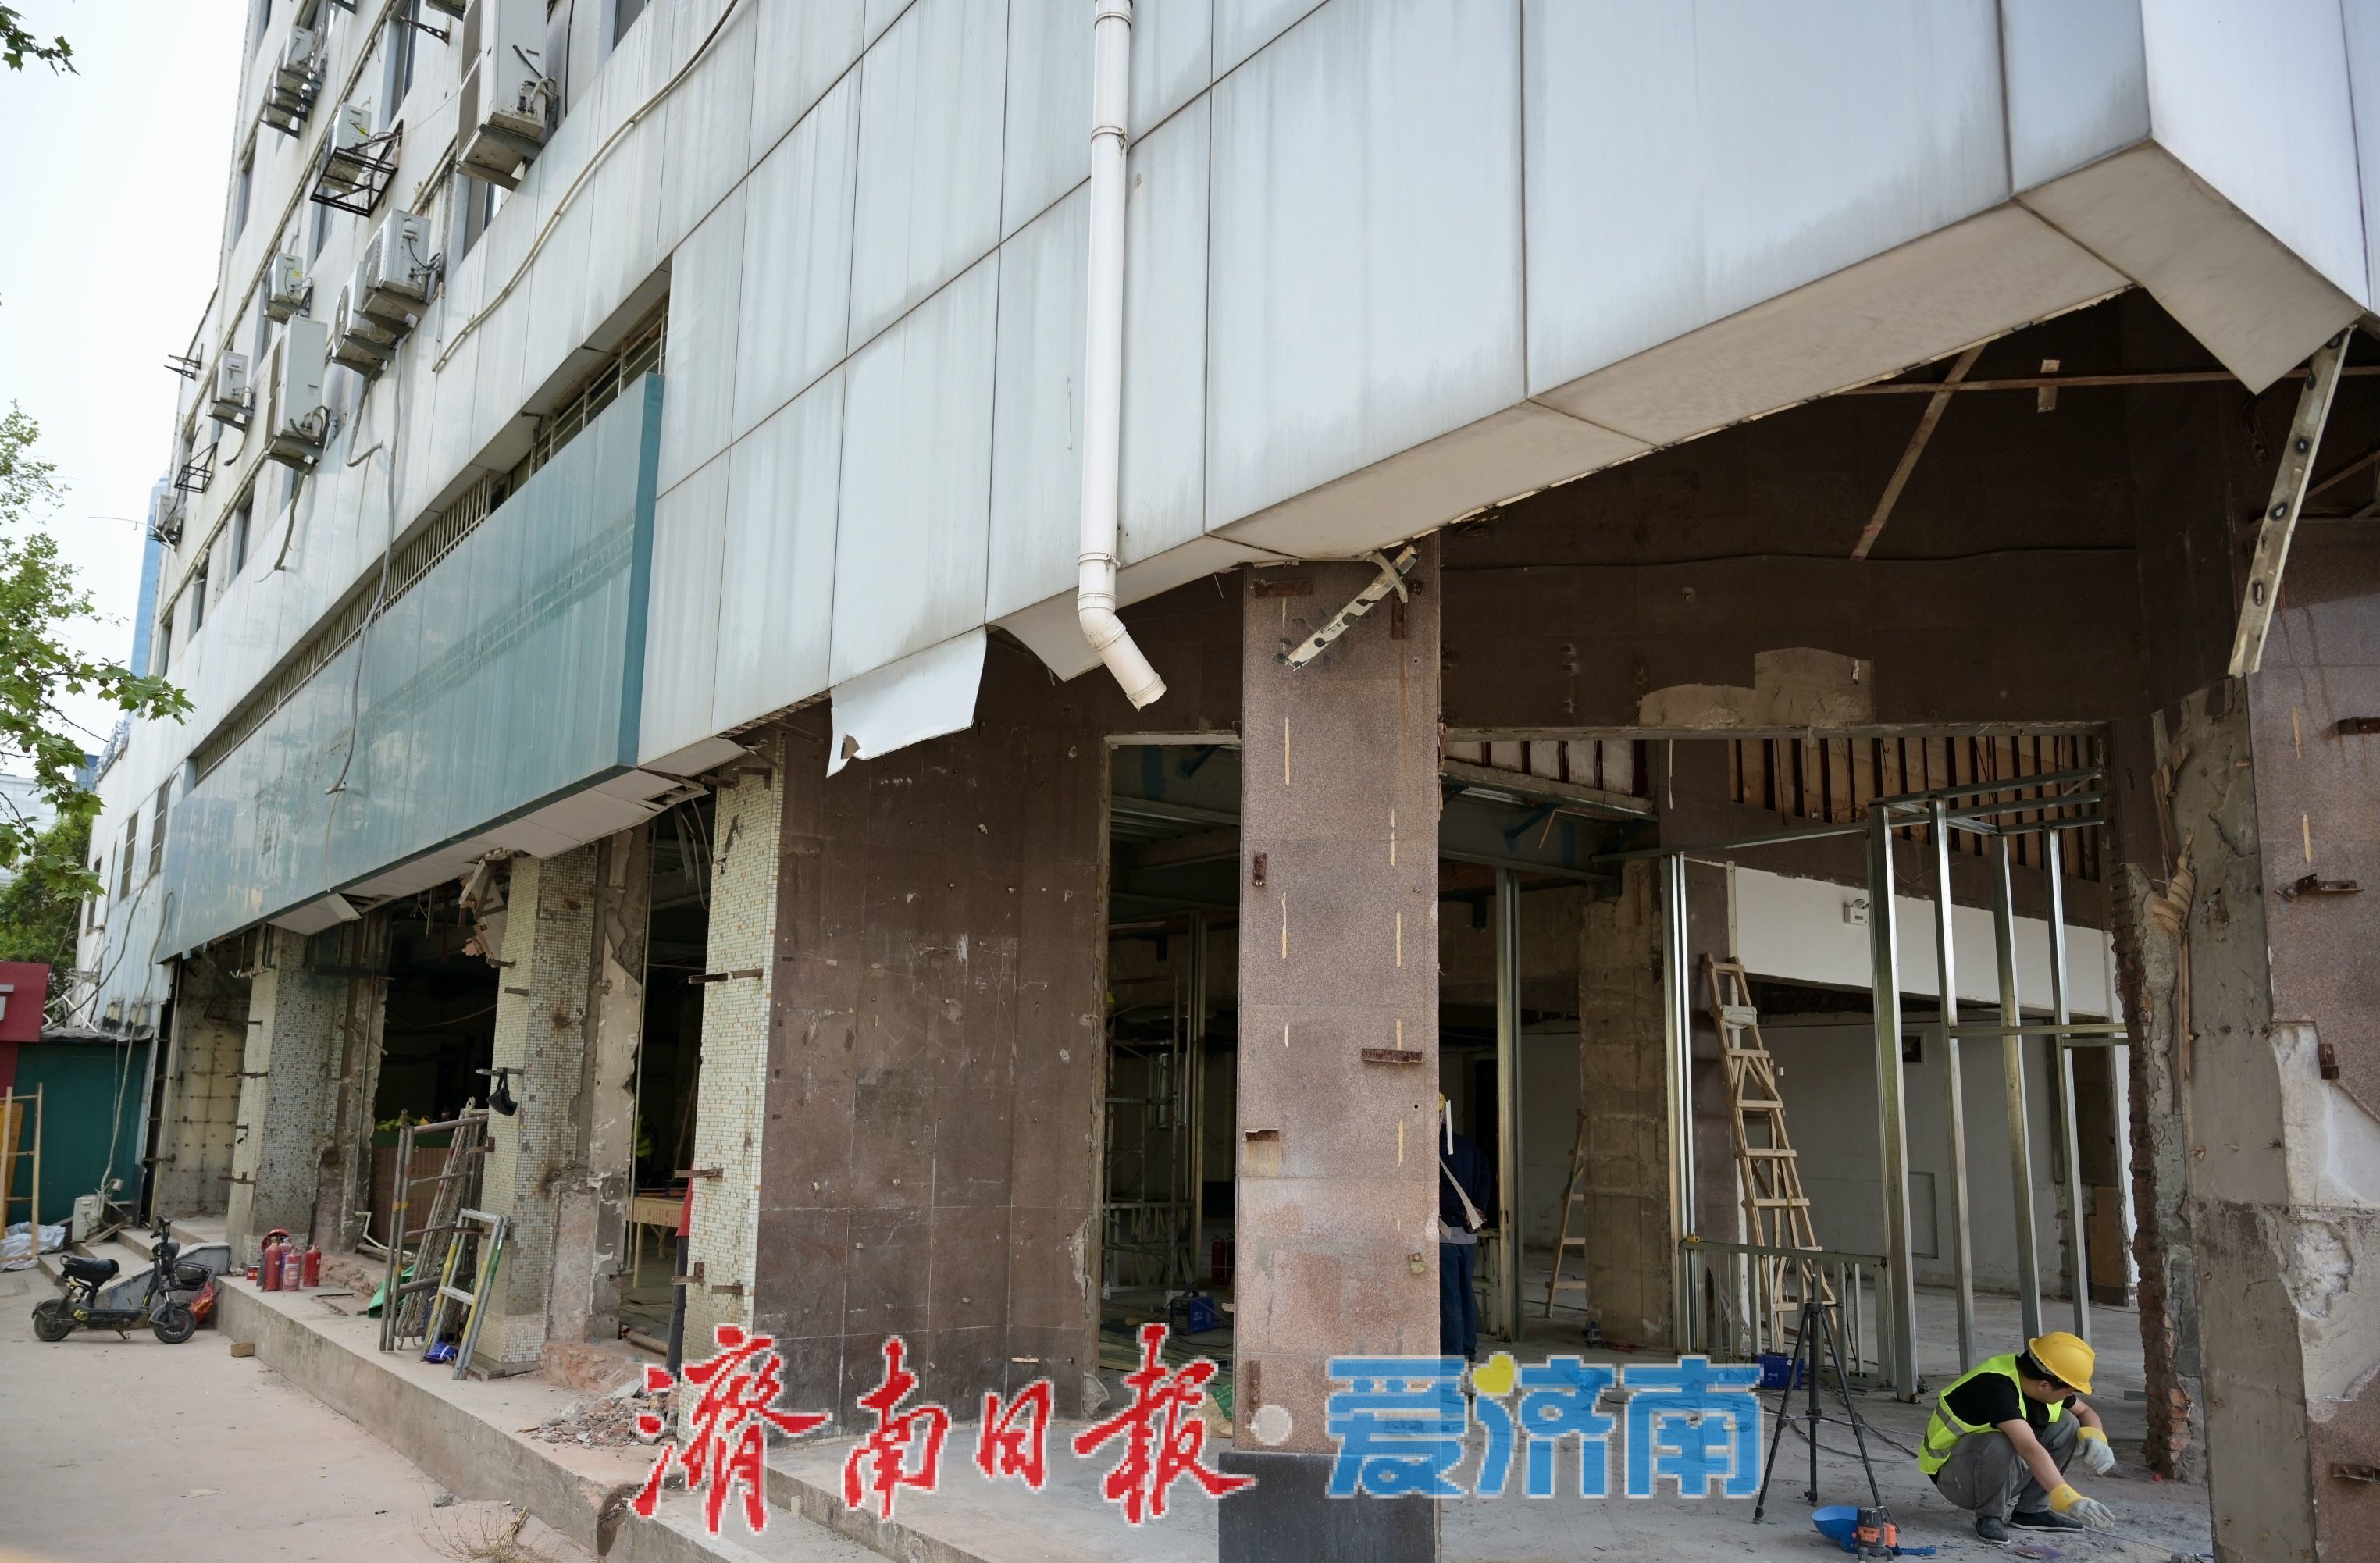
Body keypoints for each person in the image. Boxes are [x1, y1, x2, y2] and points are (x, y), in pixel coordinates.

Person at [1919, 1331, 2120, 1542]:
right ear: (2044, 1385)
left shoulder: (2036, 1377)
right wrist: (2069, 1498)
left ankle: (2032, 1512)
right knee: (2000, 1442)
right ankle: (1990, 1516)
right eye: (2069, 1391)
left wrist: (2096, 1437)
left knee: (2068, 1423)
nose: (2070, 1396)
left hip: (1992, 1473)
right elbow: (2028, 1448)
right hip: (1956, 1479)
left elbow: (2086, 1412)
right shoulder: (1996, 1386)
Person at [1436, 1096, 1495, 1364]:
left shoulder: (1433, 1150)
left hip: (1445, 1234)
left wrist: (1462, 1211)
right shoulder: (1470, 1149)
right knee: (1465, 1293)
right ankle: (1468, 1349)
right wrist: (1476, 1213)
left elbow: (1436, 1192)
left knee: (1449, 1297)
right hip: (1468, 1236)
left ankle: (1452, 1353)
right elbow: (1485, 1180)